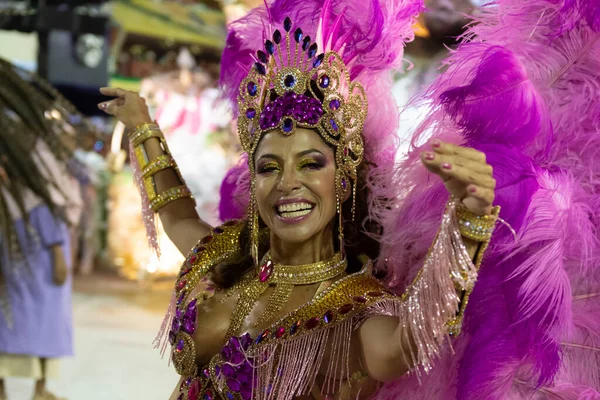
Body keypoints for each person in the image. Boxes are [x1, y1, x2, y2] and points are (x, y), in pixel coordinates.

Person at [98, 0, 599, 398]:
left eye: (311, 164)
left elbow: (408, 342)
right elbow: (177, 215)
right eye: (269, 167)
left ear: (344, 180)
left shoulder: (353, 310)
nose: (287, 183)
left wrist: (467, 221)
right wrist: (144, 130)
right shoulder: (228, 257)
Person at [0, 59, 83, 400]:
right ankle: (30, 387)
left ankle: (35, 387)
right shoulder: (35, 165)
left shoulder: (35, 163)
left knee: (25, 317)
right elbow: (45, 205)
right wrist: (57, 254)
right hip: (37, 251)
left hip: (29, 248)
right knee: (23, 316)